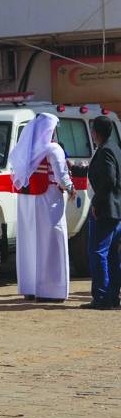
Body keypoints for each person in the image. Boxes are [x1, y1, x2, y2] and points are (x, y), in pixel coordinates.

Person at [9, 113, 75, 301]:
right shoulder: (53, 149)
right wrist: (71, 189)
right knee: (52, 241)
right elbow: (62, 177)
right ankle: (51, 290)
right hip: (48, 199)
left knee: (29, 242)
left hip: (27, 200)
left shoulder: (26, 149)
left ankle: (30, 287)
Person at [84, 115, 121, 309]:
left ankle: (102, 297)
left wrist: (97, 203)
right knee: (112, 255)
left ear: (97, 132)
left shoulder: (106, 150)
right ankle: (112, 296)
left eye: (92, 130)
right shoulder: (115, 148)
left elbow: (109, 179)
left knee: (98, 252)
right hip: (115, 209)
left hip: (106, 209)